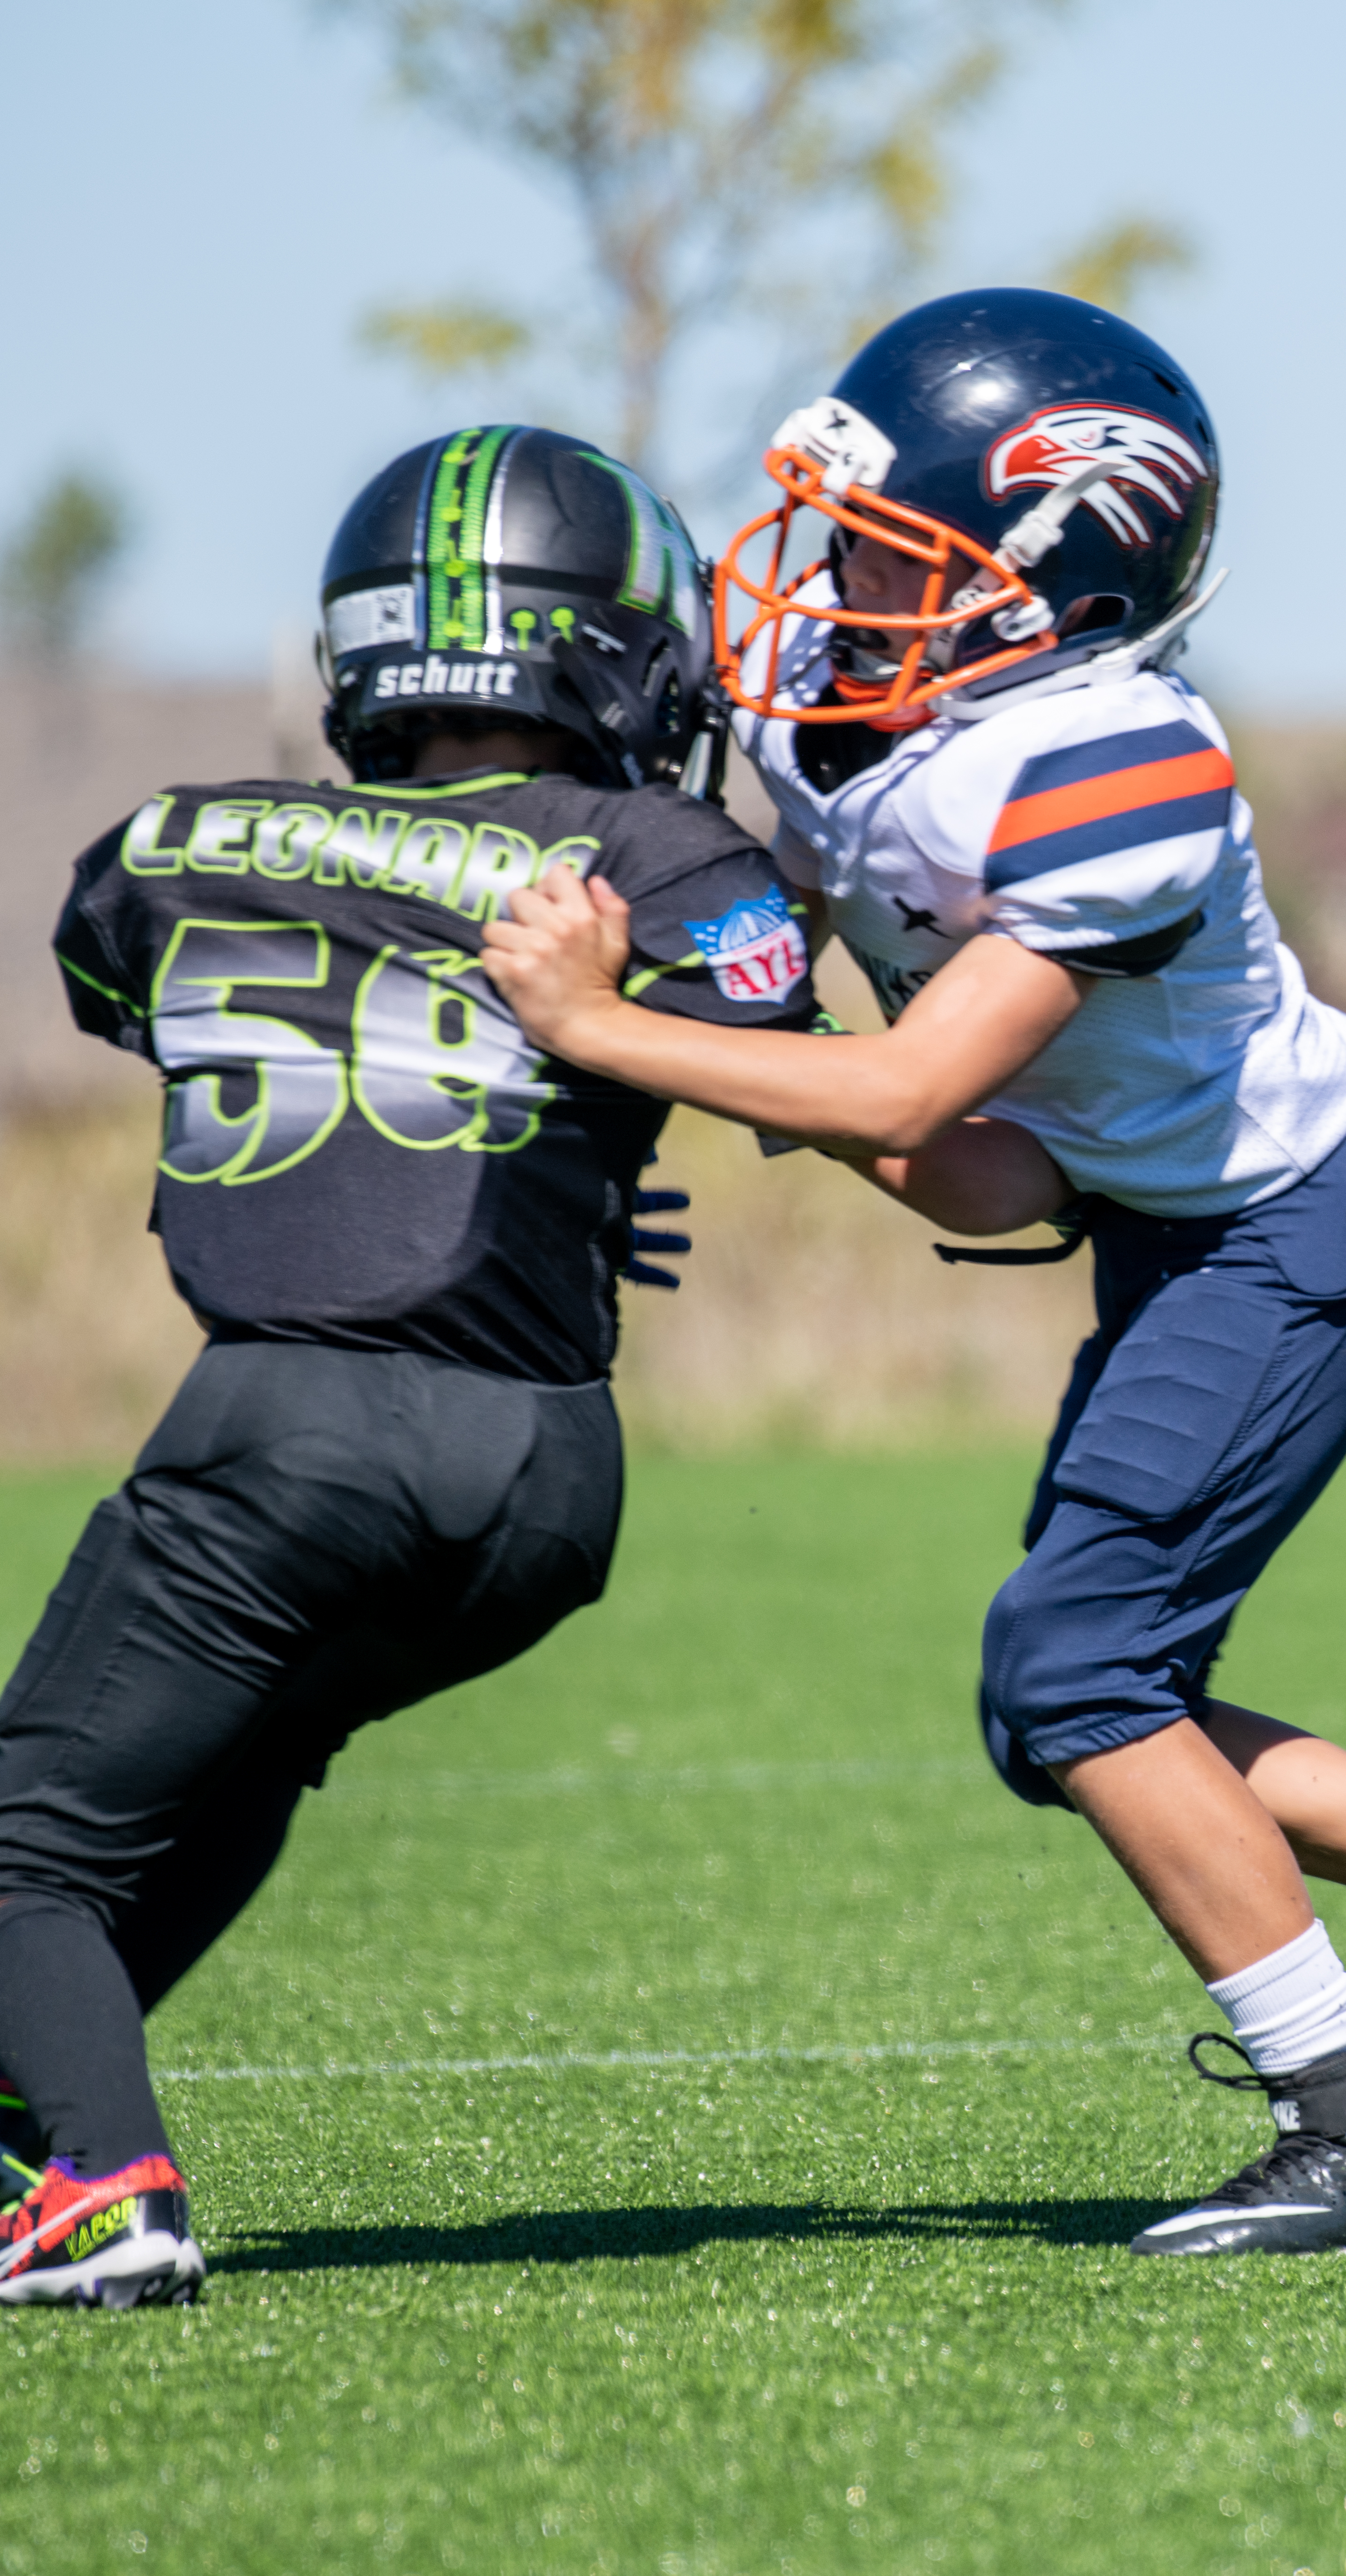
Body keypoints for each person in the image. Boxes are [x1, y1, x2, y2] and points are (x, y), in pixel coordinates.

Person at [479, 288, 1346, 2257]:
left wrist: (609, 1031)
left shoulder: (1115, 761)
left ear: (1055, 582)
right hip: (1159, 1211)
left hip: (1315, 1217)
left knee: (1078, 1673)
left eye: (895, 552)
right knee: (1061, 1697)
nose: (832, 582)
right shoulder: (851, 725)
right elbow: (950, 1162)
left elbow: (901, 1079)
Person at [0, 425, 818, 2306]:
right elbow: (733, 1014)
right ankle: (52, 2107)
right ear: (608, 648)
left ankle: (100, 2177)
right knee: (253, 1752)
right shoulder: (655, 850)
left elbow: (162, 995)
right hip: (546, 1474)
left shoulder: (168, 846)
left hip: (290, 1430)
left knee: (22, 1837)